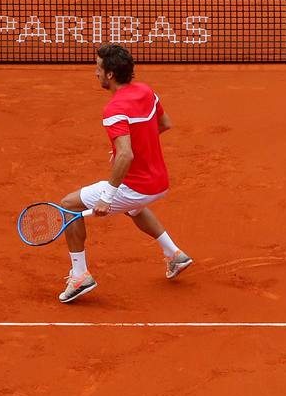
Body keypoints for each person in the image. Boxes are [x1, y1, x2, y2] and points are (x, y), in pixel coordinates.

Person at [56, 44, 192, 303]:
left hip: (138, 186)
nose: (95, 73)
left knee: (68, 205)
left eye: (98, 69)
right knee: (135, 207)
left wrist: (107, 196)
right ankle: (174, 255)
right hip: (159, 182)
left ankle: (79, 275)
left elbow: (126, 154)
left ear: (109, 74)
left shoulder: (113, 110)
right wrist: (126, 150)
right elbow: (164, 124)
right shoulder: (146, 91)